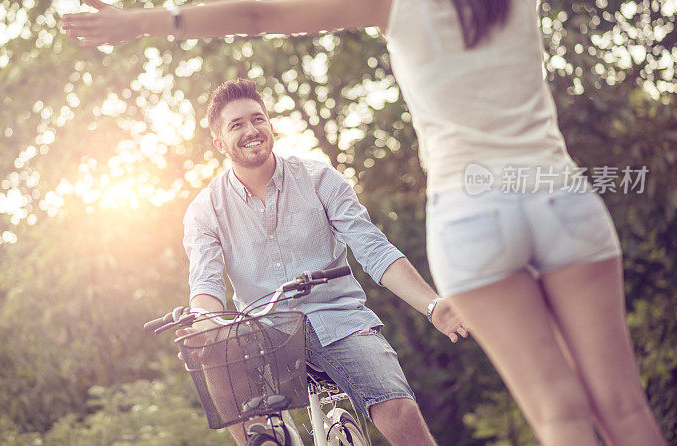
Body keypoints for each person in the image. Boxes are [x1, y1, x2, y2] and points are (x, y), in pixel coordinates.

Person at [61, 0, 677, 443]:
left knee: (553, 413)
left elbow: (256, 15)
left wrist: (141, 23)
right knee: (625, 407)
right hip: (555, 196)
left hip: (467, 221)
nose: (252, 132)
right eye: (238, 126)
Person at [177, 78, 467, 446]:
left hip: (338, 318)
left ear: (269, 124)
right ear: (219, 142)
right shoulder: (205, 210)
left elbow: (373, 249)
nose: (251, 130)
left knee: (397, 407)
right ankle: (258, 441)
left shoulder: (318, 179)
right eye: (237, 125)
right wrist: (204, 323)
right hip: (264, 332)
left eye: (258, 119)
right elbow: (206, 285)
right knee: (212, 345)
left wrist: (433, 306)